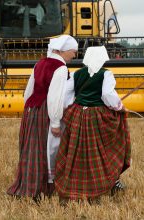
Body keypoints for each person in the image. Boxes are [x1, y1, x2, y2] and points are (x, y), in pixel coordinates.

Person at [55, 46, 131, 202]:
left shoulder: (77, 73)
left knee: (76, 152)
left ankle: (75, 186)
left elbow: (64, 96)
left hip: (77, 114)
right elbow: (108, 94)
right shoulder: (106, 74)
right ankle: (109, 182)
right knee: (104, 150)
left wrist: (71, 110)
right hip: (97, 116)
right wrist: (120, 107)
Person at [7, 35, 78, 200]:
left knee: (30, 148)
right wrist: (55, 122)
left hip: (32, 109)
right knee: (45, 148)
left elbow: (28, 90)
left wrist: (28, 109)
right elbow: (55, 97)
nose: (74, 55)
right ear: (62, 50)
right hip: (46, 110)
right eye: (72, 52)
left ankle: (27, 185)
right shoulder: (60, 68)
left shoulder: (39, 63)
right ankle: (41, 189)